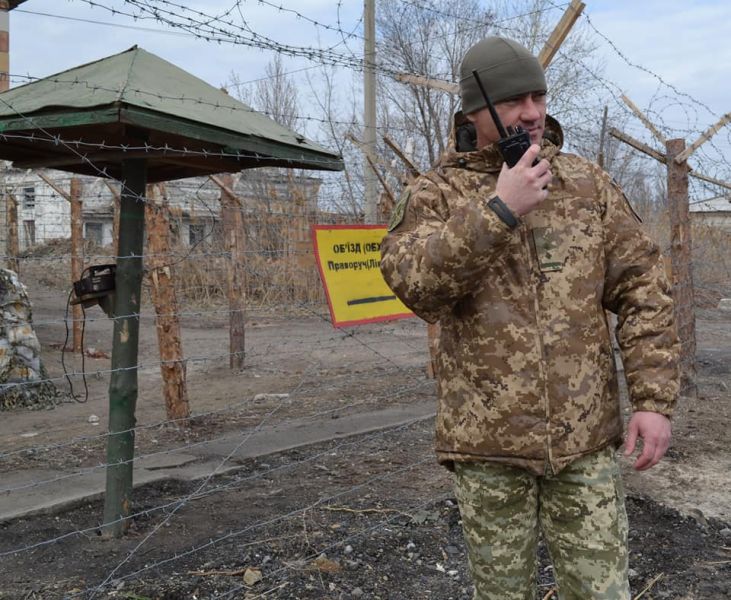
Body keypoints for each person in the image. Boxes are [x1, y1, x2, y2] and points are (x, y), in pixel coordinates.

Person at [380, 36, 680, 600]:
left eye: (539, 96)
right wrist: (500, 210)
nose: (534, 112)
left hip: (585, 443)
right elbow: (417, 288)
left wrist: (652, 400)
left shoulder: (585, 184)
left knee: (602, 593)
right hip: (488, 449)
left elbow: (644, 288)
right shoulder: (435, 193)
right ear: (475, 109)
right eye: (516, 100)